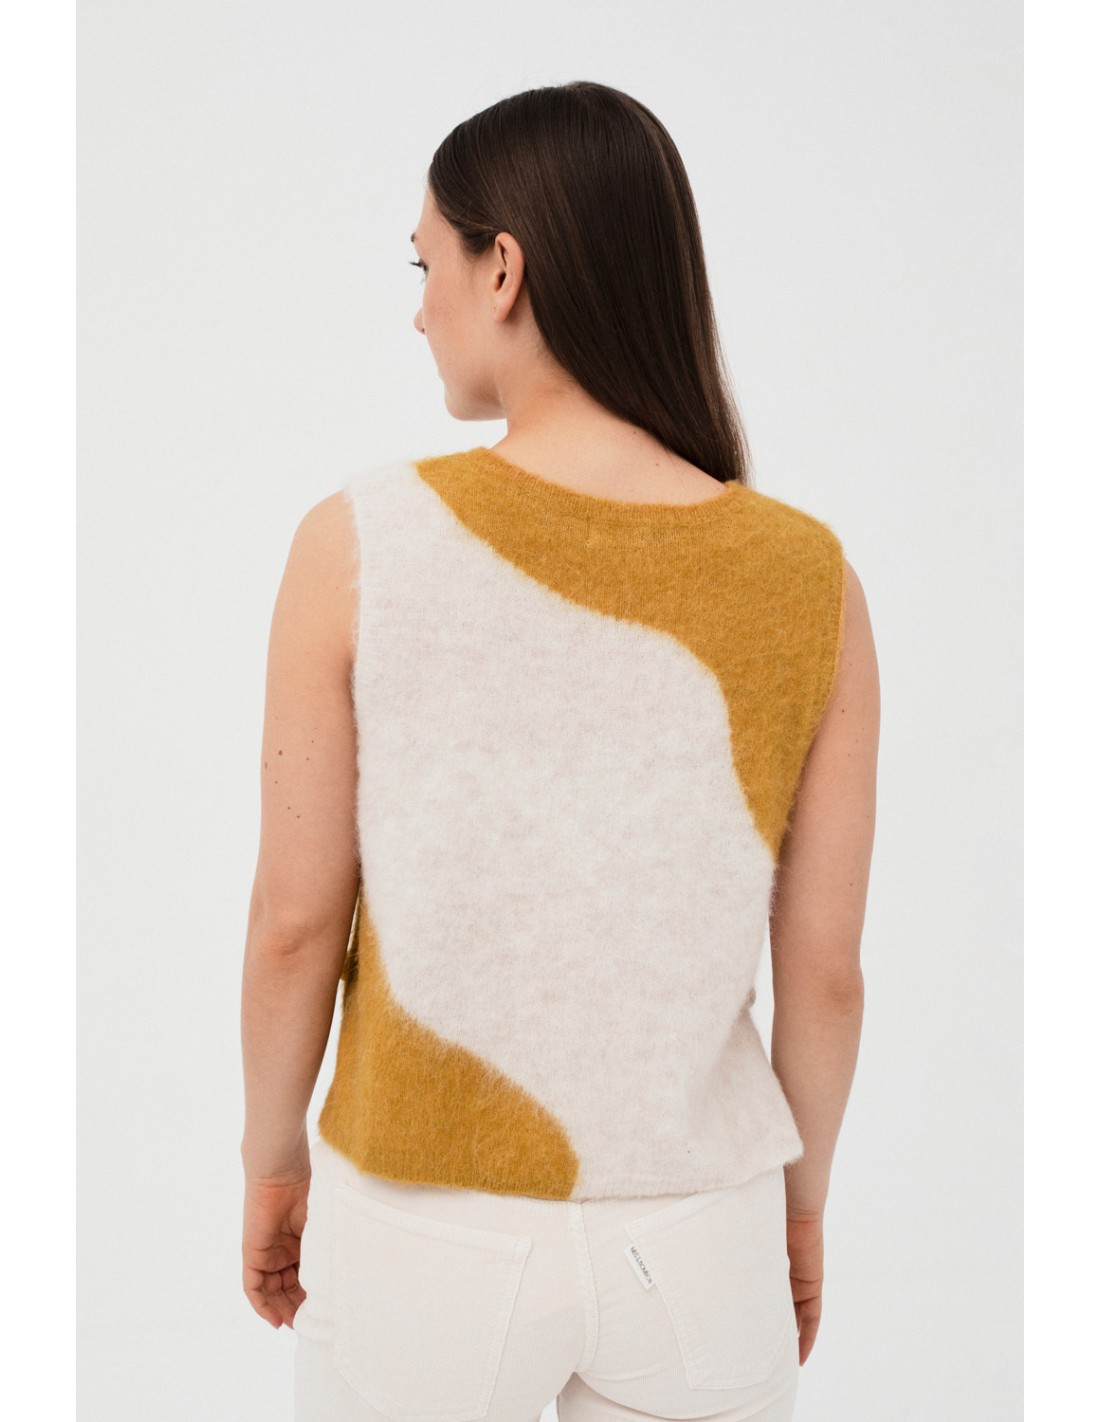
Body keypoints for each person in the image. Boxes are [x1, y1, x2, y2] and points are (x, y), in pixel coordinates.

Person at [240, 80, 878, 1422]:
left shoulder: (358, 543)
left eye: (428, 264)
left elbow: (297, 927)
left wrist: (272, 1154)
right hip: (699, 1235)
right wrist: (800, 1204)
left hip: (422, 1226)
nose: (421, 308)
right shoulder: (809, 577)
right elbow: (823, 973)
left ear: (504, 269)